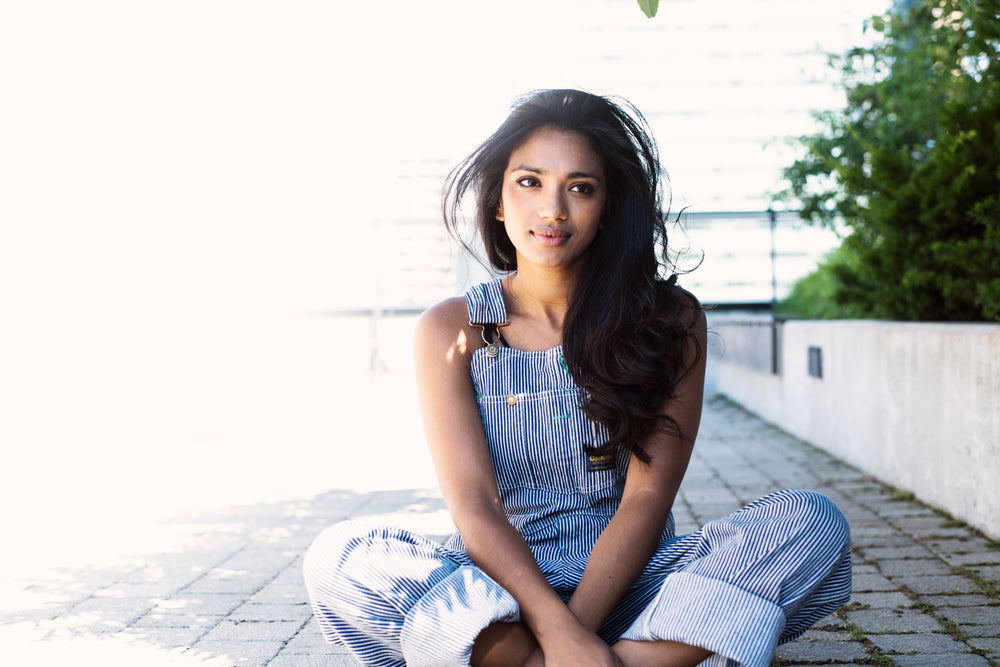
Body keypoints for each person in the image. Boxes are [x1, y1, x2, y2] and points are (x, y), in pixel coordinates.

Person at [304, 89, 852, 667]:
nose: (553, 210)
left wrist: (577, 632)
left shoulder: (669, 319)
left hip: (636, 592)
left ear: (608, 206)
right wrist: (552, 628)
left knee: (811, 521)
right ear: (497, 202)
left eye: (581, 187)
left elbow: (646, 497)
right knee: (339, 555)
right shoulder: (452, 328)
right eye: (530, 182)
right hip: (500, 598)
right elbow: (476, 506)